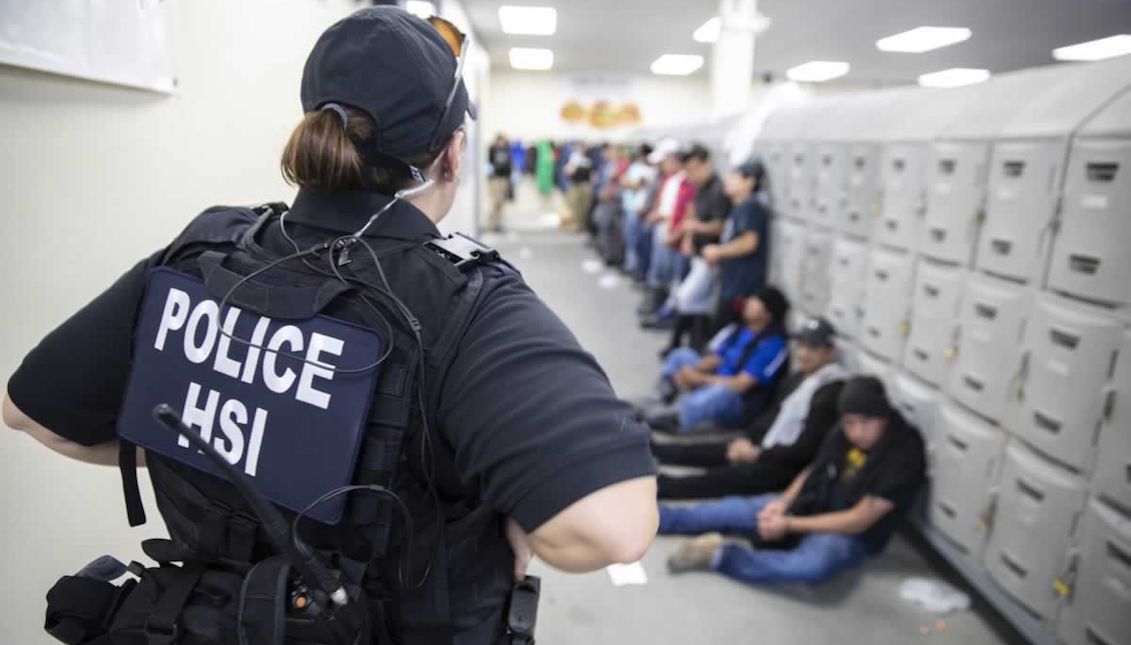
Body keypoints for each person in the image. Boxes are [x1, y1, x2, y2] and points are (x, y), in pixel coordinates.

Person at [3, 7, 658, 644]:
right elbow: (611, 527)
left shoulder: (209, 248)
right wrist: (518, 519)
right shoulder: (462, 298)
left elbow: (28, 410)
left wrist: (217, 441)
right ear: (453, 154)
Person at [659, 376, 928, 587]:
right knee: (729, 509)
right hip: (812, 503)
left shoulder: (904, 452)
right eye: (849, 423)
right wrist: (785, 502)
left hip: (847, 533)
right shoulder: (843, 432)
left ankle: (719, 556)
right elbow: (815, 468)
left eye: (867, 422)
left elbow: (859, 519)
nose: (857, 432)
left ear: (883, 416)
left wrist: (789, 524)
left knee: (811, 566)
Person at [652, 317, 847, 499]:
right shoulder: (800, 378)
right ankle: (654, 451)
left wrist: (757, 454)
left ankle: (659, 487)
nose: (803, 353)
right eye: (802, 345)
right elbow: (772, 416)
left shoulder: (831, 390)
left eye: (813, 348)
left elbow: (805, 449)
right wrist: (746, 441)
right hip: (764, 448)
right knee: (713, 451)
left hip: (783, 467)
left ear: (830, 352)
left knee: (720, 478)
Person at [645, 287, 790, 433]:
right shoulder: (739, 329)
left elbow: (741, 385)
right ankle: (660, 399)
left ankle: (679, 418)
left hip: (739, 402)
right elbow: (718, 357)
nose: (748, 304)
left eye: (755, 302)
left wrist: (700, 379)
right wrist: (692, 371)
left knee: (721, 393)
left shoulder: (772, 345)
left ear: (768, 313)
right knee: (682, 355)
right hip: (716, 380)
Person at [658, 143, 732, 350]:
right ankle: (690, 345)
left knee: (687, 298)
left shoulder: (718, 189)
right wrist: (688, 237)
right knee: (696, 303)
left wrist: (694, 227)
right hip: (697, 253)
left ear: (703, 164)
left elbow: (720, 226)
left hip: (711, 257)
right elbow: (693, 212)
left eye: (691, 169)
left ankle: (681, 345)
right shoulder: (700, 188)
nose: (689, 175)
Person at [703, 159, 770, 331]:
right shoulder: (739, 206)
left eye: (734, 177)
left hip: (741, 285)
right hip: (732, 281)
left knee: (726, 329)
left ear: (749, 182)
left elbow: (749, 242)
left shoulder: (751, 206)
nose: (727, 180)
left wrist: (718, 251)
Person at [638, 139, 695, 320]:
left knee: (673, 275)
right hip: (666, 230)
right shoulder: (669, 180)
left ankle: (668, 313)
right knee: (661, 270)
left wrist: (677, 233)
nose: (662, 166)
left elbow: (685, 211)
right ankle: (659, 307)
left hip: (674, 233)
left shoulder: (685, 182)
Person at [620, 143, 656, 279]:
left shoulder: (649, 170)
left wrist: (629, 183)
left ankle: (638, 270)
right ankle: (633, 267)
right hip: (631, 207)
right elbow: (625, 181)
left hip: (639, 211)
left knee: (638, 242)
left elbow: (635, 184)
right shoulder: (637, 167)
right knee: (632, 240)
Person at [563, 142, 594, 232]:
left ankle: (584, 224)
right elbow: (568, 171)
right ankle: (576, 224)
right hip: (575, 184)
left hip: (585, 184)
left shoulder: (588, 157)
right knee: (575, 206)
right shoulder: (573, 158)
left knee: (585, 206)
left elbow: (592, 172)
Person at [487, 133, 513, 232]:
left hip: (504, 179)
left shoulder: (506, 150)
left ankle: (499, 224)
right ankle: (492, 224)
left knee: (501, 203)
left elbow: (509, 164)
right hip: (495, 179)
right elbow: (490, 163)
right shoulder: (493, 149)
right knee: (495, 202)